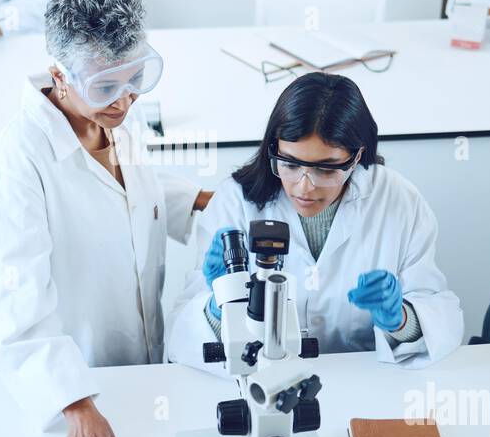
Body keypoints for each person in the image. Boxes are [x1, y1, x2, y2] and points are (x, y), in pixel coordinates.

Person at [0, 0, 212, 437]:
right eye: (106, 86)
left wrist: (202, 201)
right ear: (60, 75)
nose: (124, 100)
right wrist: (75, 403)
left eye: (134, 79)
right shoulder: (19, 161)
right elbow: (14, 315)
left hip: (146, 375)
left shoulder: (109, 119)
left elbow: (129, 193)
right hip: (79, 392)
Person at [169, 73, 462, 371]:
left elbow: (440, 315)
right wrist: (219, 306)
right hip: (262, 381)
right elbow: (182, 336)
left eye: (326, 169)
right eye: (291, 164)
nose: (304, 187)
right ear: (274, 148)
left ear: (356, 156)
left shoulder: (399, 201)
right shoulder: (234, 202)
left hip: (365, 383)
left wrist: (401, 319)